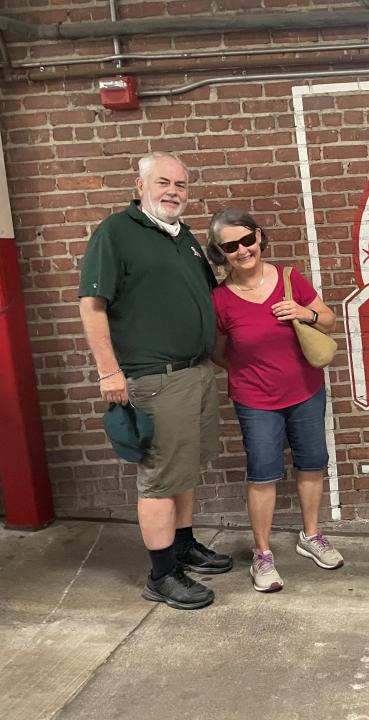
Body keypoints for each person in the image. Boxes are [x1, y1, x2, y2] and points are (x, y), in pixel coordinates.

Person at [78, 152, 233, 611]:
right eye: (163, 182)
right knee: (160, 480)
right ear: (140, 184)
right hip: (154, 380)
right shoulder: (116, 232)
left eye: (181, 185)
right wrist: (109, 371)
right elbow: (92, 305)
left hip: (195, 373)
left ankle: (182, 545)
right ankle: (162, 574)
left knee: (183, 469)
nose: (173, 192)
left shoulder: (182, 237)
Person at [207, 208, 343, 593]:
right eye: (230, 246)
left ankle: (311, 536)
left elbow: (329, 319)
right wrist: (249, 372)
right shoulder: (219, 300)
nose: (243, 250)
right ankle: (263, 555)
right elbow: (218, 352)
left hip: (305, 390)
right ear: (221, 253)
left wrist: (305, 312)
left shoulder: (289, 278)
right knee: (263, 473)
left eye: (247, 240)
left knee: (312, 463)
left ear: (260, 238)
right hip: (254, 399)